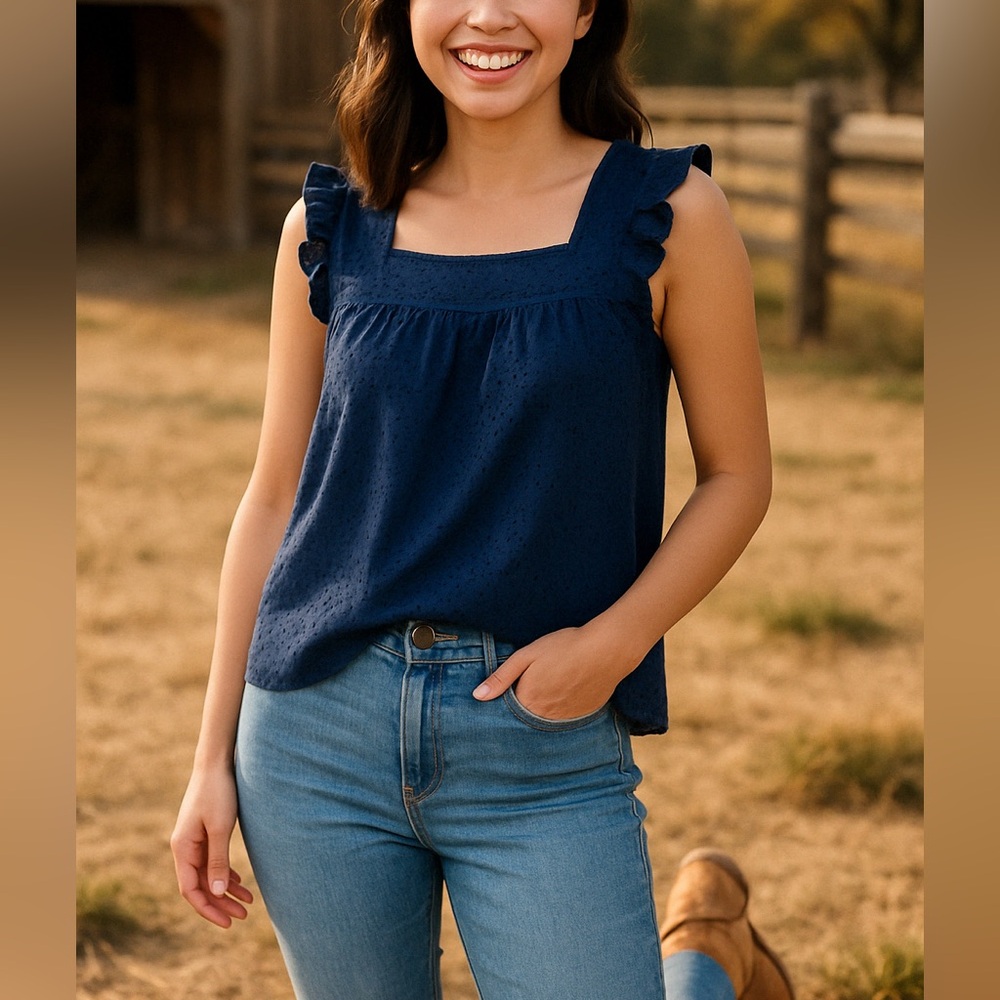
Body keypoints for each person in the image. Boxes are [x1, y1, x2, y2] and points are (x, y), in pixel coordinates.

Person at [170, 0, 781, 997]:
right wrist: (211, 759)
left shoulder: (668, 217)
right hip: (314, 743)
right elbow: (275, 496)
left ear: (585, 12)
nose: (487, 14)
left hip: (543, 740)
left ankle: (705, 965)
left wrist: (614, 642)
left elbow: (737, 476)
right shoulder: (330, 228)